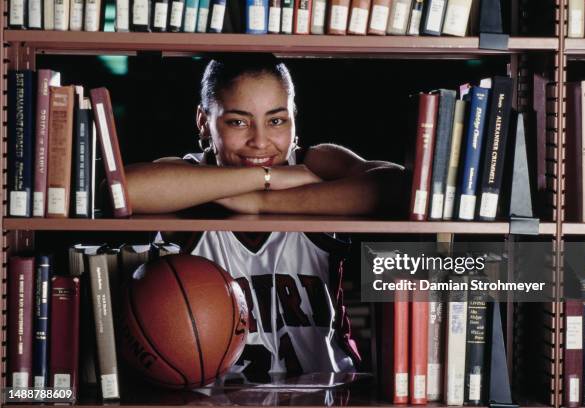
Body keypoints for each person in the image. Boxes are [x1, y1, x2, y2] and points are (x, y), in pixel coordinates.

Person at [125, 55, 407, 376]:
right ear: (203, 121)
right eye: (238, 121)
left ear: (294, 119)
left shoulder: (316, 161)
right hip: (216, 399)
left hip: (326, 394)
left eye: (276, 121)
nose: (259, 141)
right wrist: (264, 181)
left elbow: (395, 186)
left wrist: (260, 204)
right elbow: (122, 190)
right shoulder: (187, 175)